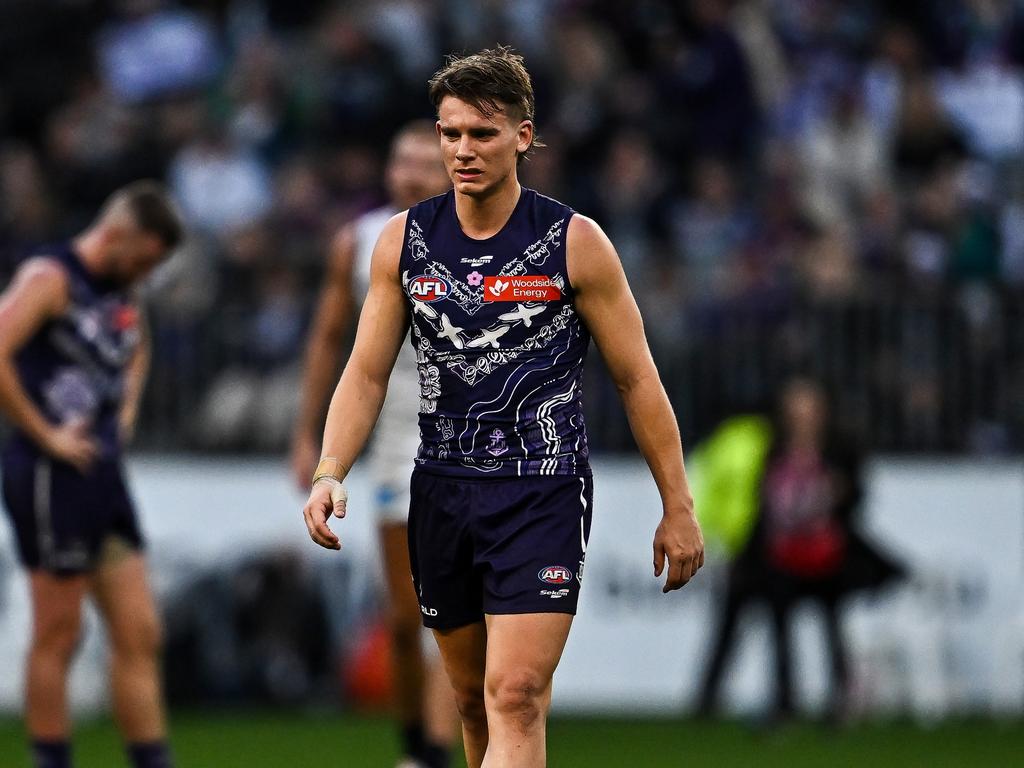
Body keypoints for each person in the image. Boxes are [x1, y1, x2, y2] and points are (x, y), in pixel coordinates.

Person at [301, 47, 705, 767]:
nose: (462, 150)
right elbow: (363, 374)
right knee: (466, 702)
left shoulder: (574, 243)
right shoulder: (403, 243)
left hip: (541, 490)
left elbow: (639, 381)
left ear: (523, 136)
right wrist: (331, 467)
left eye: (481, 134)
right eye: (449, 134)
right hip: (442, 491)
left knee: (515, 692)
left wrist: (677, 503)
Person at [290, 120, 458, 768]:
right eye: (402, 160)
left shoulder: (478, 241)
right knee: (403, 615)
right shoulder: (358, 243)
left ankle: (437, 752)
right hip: (390, 440)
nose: (411, 173)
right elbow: (328, 341)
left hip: (463, 437)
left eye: (425, 163)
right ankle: (415, 740)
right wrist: (309, 436)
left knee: (451, 607)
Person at [0, 181, 182, 768]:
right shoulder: (50, 279)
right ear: (119, 234)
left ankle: (151, 759)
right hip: (51, 473)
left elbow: (138, 345)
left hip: (102, 473)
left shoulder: (119, 286)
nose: (145, 274)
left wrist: (124, 412)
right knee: (60, 632)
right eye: (145, 259)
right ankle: (50, 759)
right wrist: (44, 432)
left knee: (139, 630)